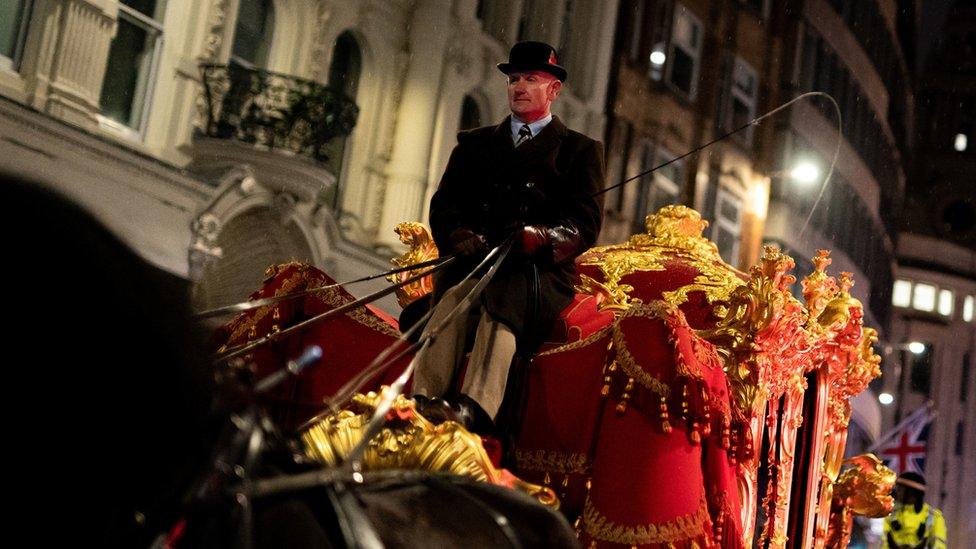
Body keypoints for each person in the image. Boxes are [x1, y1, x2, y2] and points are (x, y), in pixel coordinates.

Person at [410, 41, 605, 434]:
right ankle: (423, 400)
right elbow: (446, 203)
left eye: (530, 79)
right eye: (514, 79)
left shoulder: (580, 152)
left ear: (553, 90)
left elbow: (584, 224)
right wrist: (456, 234)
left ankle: (475, 408)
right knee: (454, 299)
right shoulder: (475, 144)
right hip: (475, 262)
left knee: (503, 303)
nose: (518, 87)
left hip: (535, 273)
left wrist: (544, 237)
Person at [882, 472, 947, 549]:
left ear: (911, 493)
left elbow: (939, 545)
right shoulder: (891, 514)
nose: (897, 492)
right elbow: (884, 544)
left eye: (900, 489)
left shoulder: (934, 517)